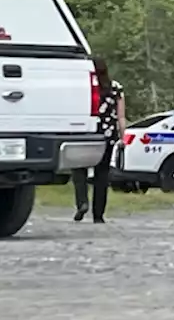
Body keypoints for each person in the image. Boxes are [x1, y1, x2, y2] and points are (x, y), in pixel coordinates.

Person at [73, 57, 125, 224]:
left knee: (78, 168)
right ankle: (98, 214)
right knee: (102, 174)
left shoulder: (83, 86)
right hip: (107, 135)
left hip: (86, 131)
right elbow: (121, 116)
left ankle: (82, 201)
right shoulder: (115, 87)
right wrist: (123, 137)